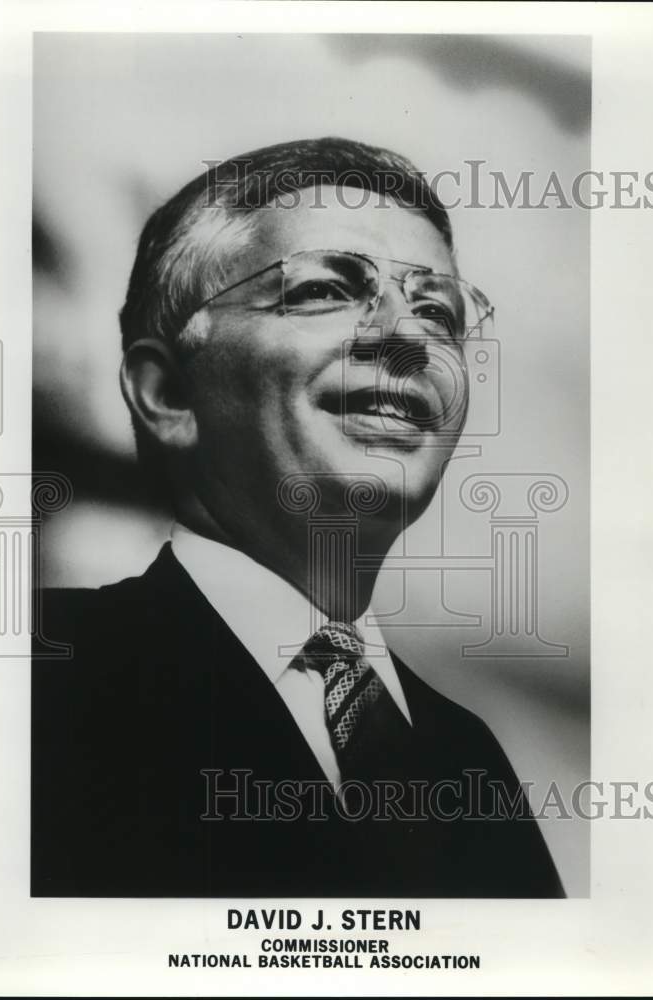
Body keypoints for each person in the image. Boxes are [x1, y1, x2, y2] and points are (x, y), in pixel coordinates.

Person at [32, 137, 564, 898]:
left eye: (438, 311)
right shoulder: (32, 682)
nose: (407, 341)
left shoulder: (467, 756)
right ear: (167, 394)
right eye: (325, 290)